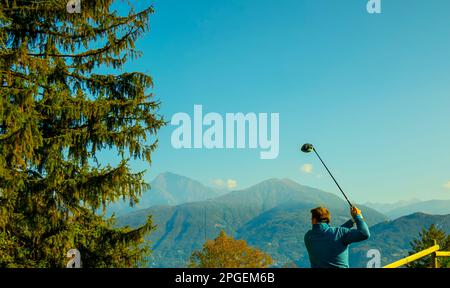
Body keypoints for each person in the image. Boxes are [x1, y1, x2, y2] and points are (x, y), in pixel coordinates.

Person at [304, 206, 370, 268]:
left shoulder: (308, 236)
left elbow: (334, 235)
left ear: (314, 220)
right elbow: (364, 233)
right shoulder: (338, 234)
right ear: (328, 220)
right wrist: (358, 217)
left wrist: (352, 221)